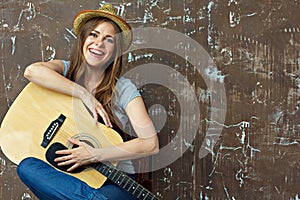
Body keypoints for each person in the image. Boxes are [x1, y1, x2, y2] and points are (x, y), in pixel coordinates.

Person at [16, 4, 159, 200]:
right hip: (68, 181)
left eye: (108, 40)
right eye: (93, 35)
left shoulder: (124, 89)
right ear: (83, 39)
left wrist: (95, 155)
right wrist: (83, 93)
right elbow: (32, 71)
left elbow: (151, 144)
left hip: (114, 182)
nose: (99, 43)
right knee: (27, 167)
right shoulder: (64, 70)